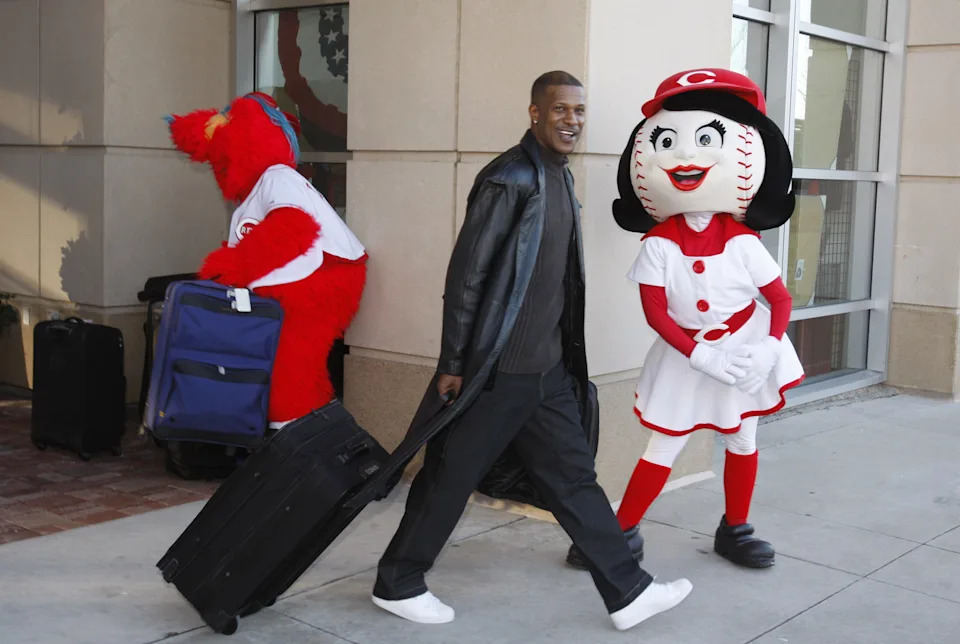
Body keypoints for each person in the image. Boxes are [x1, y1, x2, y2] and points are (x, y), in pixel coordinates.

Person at [370, 71, 692, 631]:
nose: (573, 120)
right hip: (499, 369)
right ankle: (397, 583)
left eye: (580, 111)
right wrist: (453, 362)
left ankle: (628, 591)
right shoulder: (510, 177)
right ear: (534, 113)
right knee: (449, 477)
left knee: (573, 479)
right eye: (561, 110)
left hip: (544, 370)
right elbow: (467, 276)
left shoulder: (558, 178)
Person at [565, 68, 804, 572]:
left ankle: (735, 528)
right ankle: (621, 532)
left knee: (742, 437)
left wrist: (768, 348)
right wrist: (700, 355)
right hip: (685, 354)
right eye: (669, 142)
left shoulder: (742, 242)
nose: (686, 157)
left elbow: (779, 299)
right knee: (665, 443)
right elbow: (655, 313)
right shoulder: (658, 244)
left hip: (744, 347)